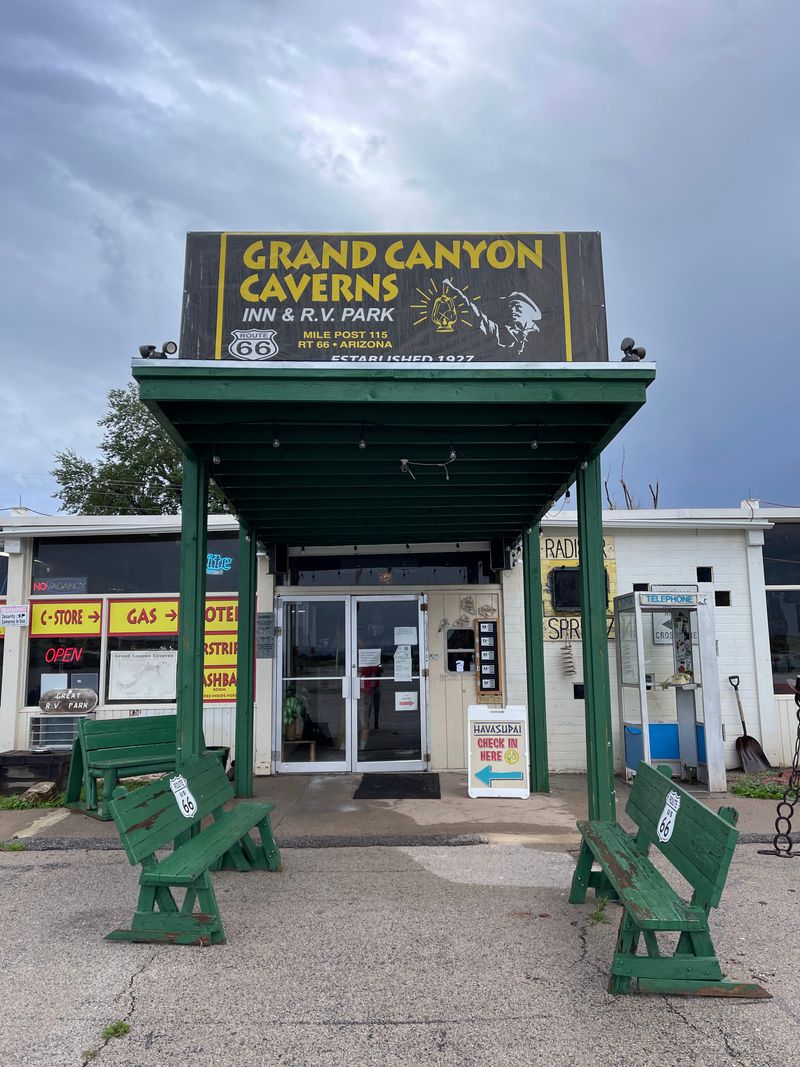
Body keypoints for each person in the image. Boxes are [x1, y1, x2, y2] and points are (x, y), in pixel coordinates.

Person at [443, 278, 542, 356]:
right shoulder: (501, 329)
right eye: (511, 306)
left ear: (529, 310)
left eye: (517, 307)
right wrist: (455, 292)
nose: (513, 310)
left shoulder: (539, 333)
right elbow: (475, 313)